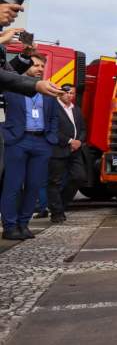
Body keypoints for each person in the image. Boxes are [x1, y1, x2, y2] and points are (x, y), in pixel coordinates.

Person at [1, 53, 60, 240]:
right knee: (13, 185)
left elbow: (54, 118)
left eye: (42, 66)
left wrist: (50, 137)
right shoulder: (12, 88)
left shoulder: (48, 91)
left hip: (41, 142)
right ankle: (10, 227)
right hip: (18, 140)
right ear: (26, 66)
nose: (39, 69)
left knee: (34, 186)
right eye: (35, 65)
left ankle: (24, 224)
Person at [45, 83, 87, 223]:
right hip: (58, 149)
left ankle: (60, 205)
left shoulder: (77, 110)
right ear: (60, 93)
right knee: (54, 182)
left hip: (75, 150)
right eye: (67, 93)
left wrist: (79, 142)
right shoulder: (52, 108)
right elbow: (52, 130)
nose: (70, 96)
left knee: (79, 177)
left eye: (72, 93)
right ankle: (57, 213)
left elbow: (83, 129)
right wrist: (69, 141)